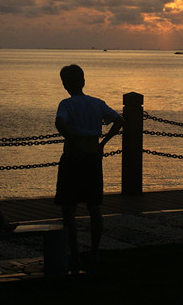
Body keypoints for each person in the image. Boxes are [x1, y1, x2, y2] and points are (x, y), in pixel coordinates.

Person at [54, 64, 124, 270]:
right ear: (83, 81)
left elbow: (60, 123)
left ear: (65, 84)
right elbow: (120, 120)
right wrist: (102, 144)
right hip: (93, 157)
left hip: (73, 158)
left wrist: (73, 141)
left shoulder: (66, 104)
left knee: (69, 209)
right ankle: (95, 253)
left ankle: (74, 255)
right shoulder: (97, 104)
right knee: (94, 208)